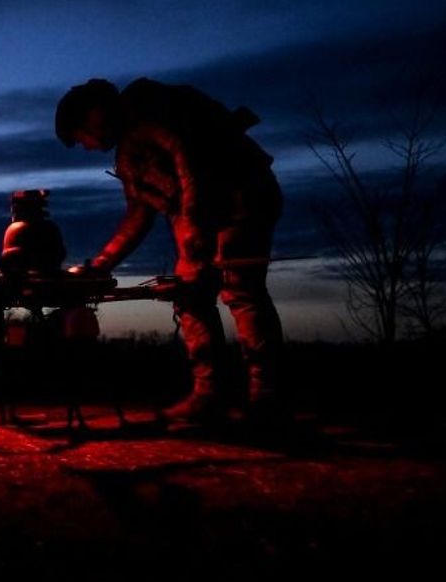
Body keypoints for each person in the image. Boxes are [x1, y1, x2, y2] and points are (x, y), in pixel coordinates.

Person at [55, 78, 286, 426]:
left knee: (241, 288)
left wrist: (191, 220)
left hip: (242, 199)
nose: (86, 147)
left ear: (93, 116)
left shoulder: (149, 106)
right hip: (200, 215)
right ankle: (209, 395)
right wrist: (101, 266)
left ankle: (266, 398)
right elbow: (138, 215)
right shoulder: (129, 155)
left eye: (80, 137)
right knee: (189, 293)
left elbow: (188, 156)